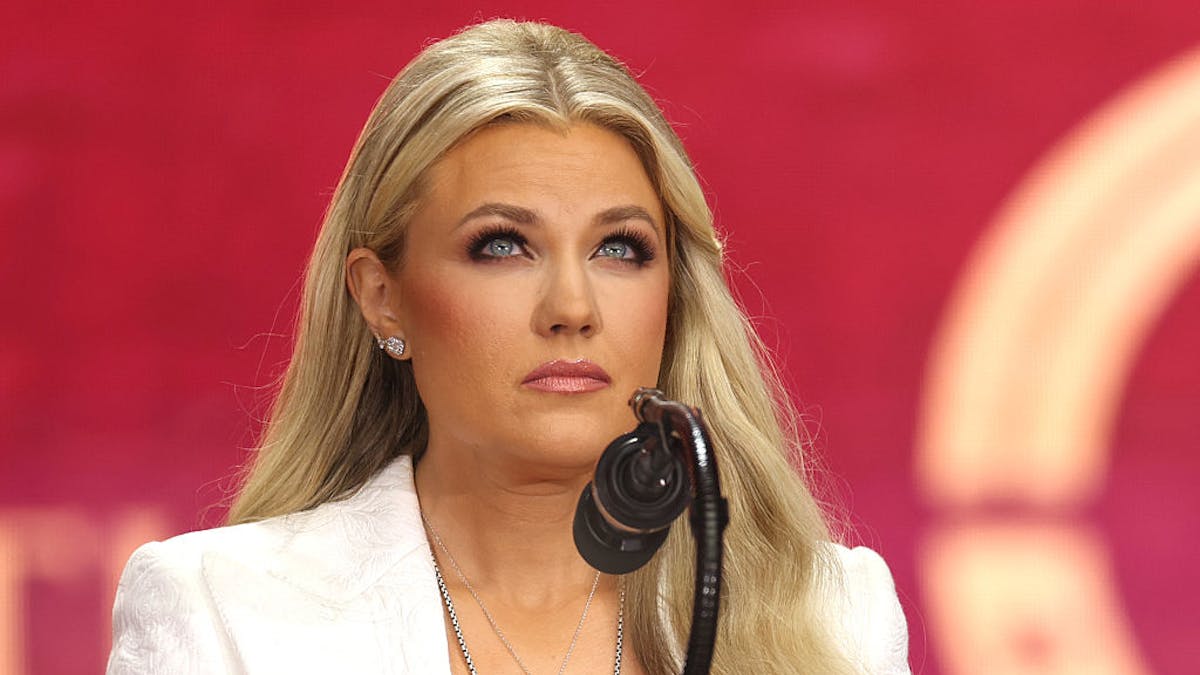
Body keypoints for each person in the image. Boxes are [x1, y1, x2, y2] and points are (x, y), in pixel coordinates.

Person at [107, 19, 909, 675]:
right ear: (381, 296)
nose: (572, 308)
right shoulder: (220, 612)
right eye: (501, 246)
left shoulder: (838, 617)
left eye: (620, 248)